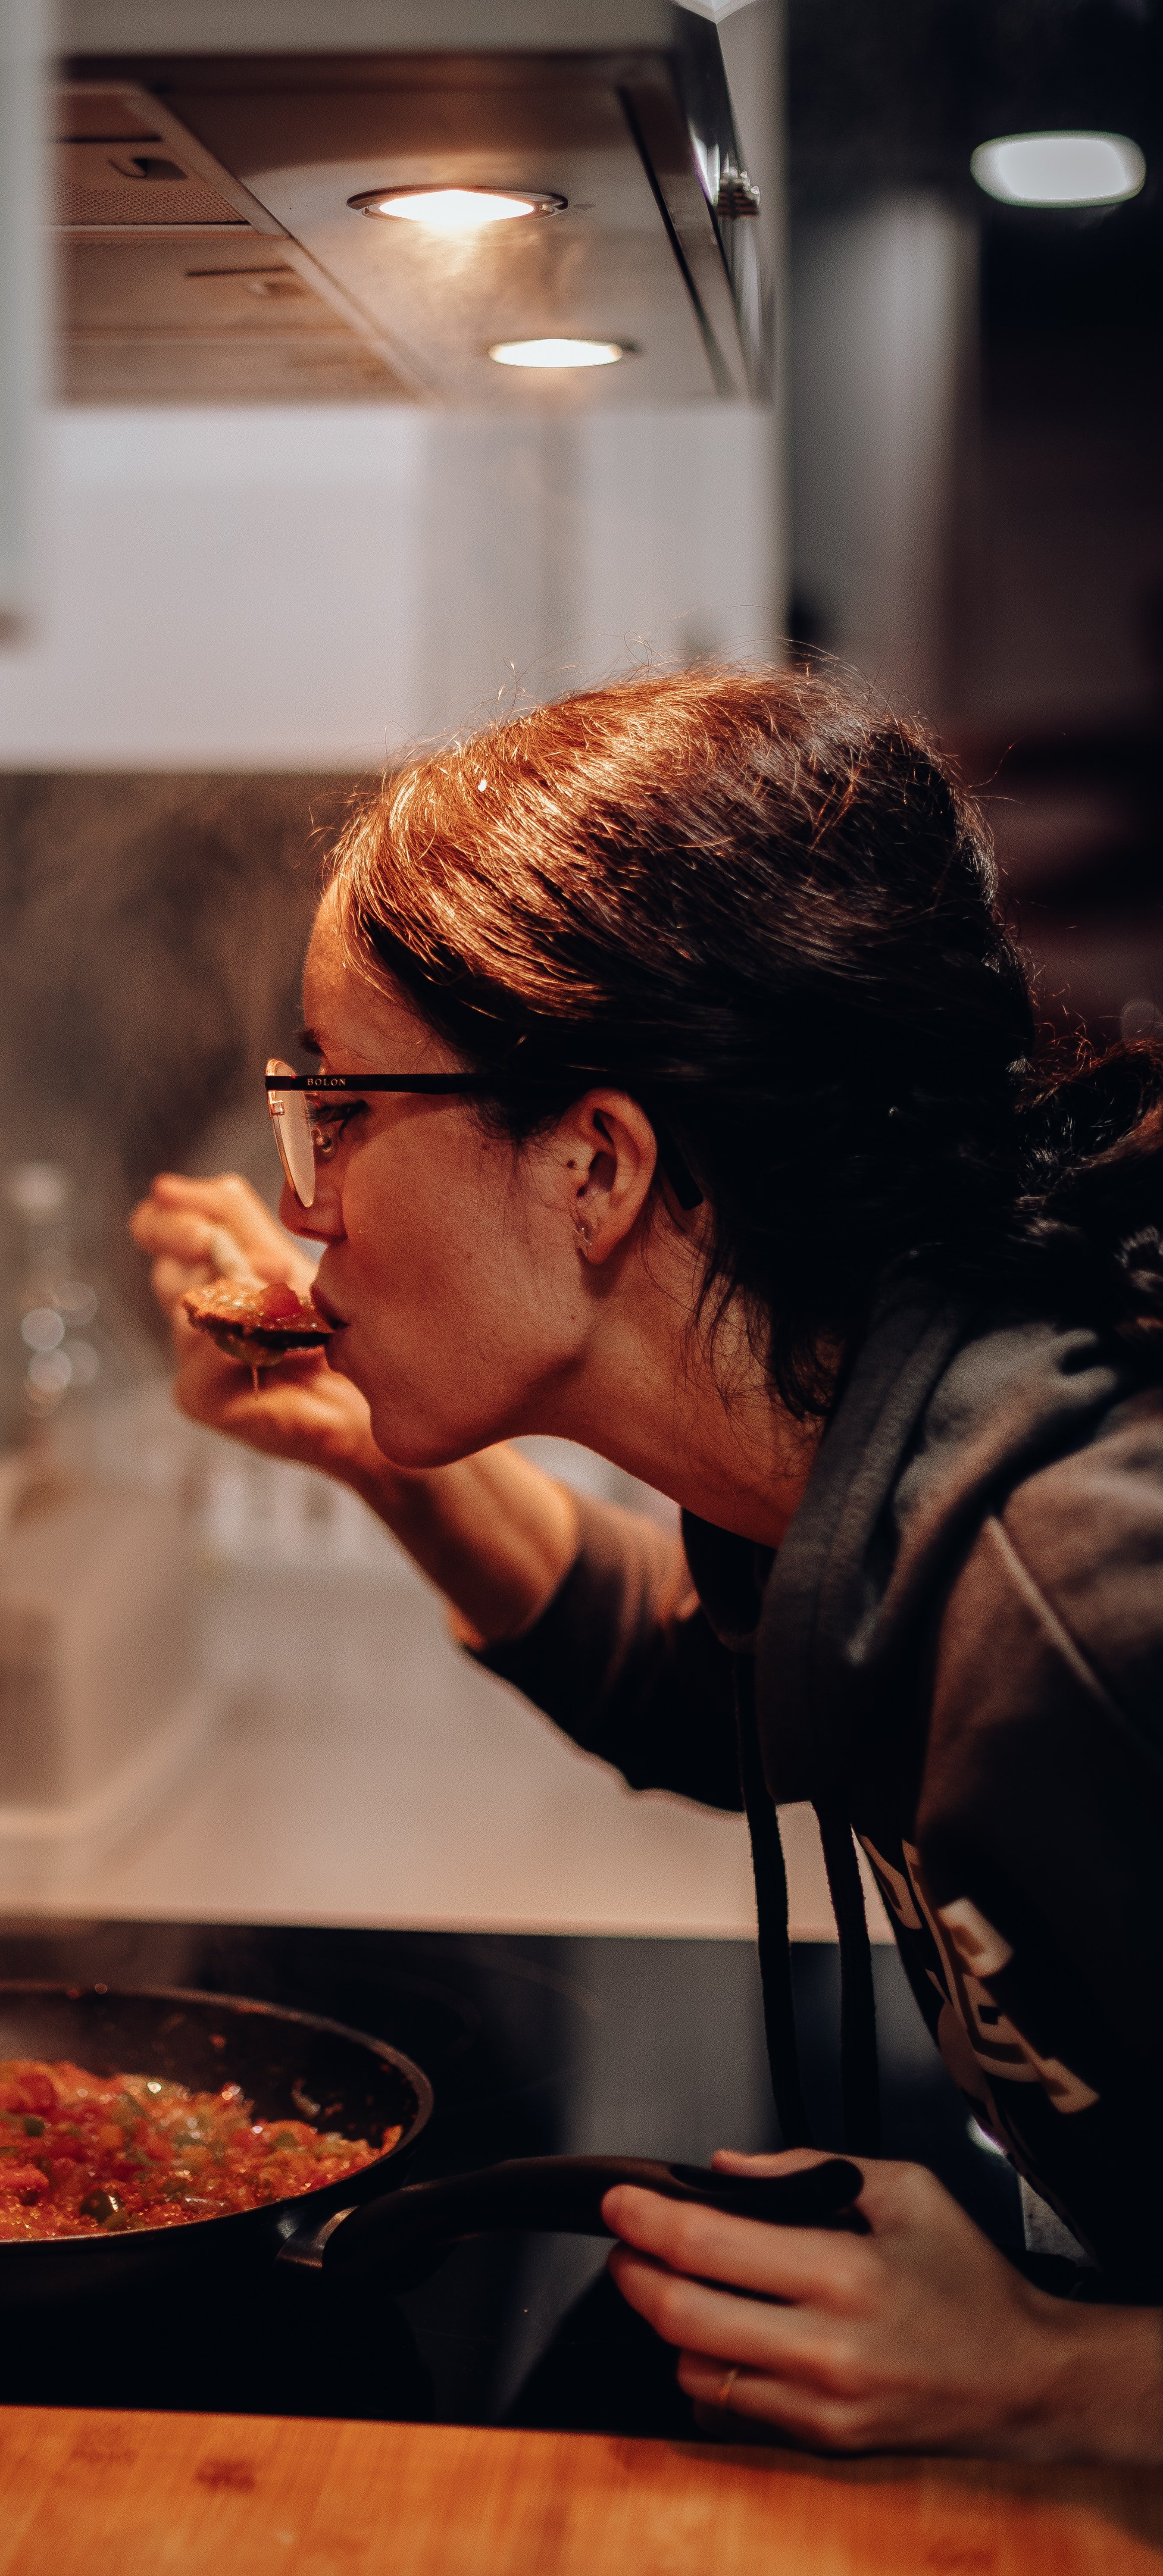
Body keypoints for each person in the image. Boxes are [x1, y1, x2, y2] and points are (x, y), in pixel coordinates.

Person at [129, 665, 1163, 2464]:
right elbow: (702, 1686)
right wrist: (386, 1468)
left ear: (592, 1164)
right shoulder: (873, 1451)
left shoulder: (1086, 1602)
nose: (305, 1203)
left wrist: (1049, 2370)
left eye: (341, 1113)